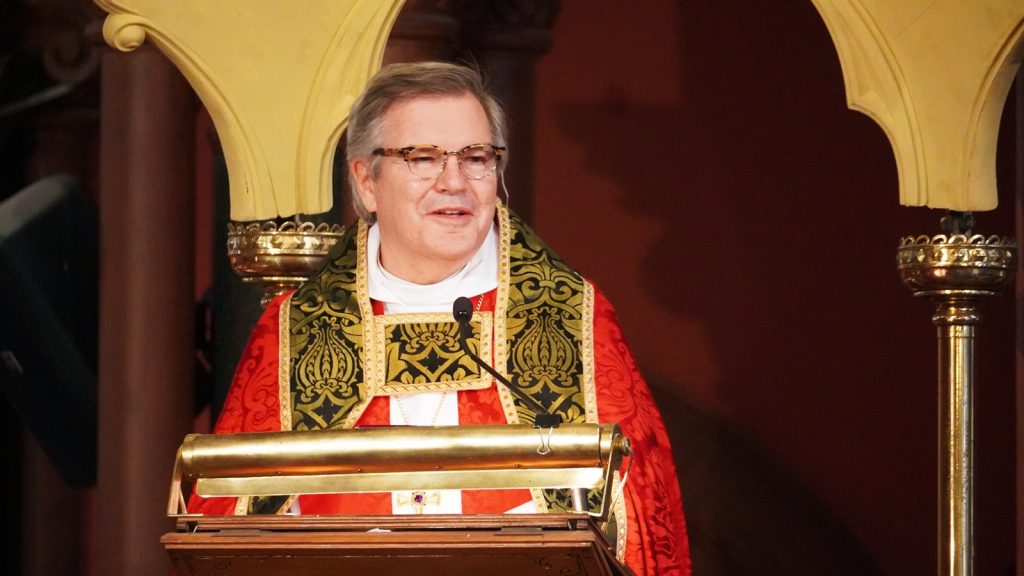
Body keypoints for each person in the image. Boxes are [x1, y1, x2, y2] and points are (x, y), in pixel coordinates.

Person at [193, 61, 691, 575]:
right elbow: (229, 524)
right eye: (422, 158)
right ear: (366, 181)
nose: (454, 182)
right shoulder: (298, 329)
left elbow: (638, 516)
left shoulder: (570, 318)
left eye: (476, 158)